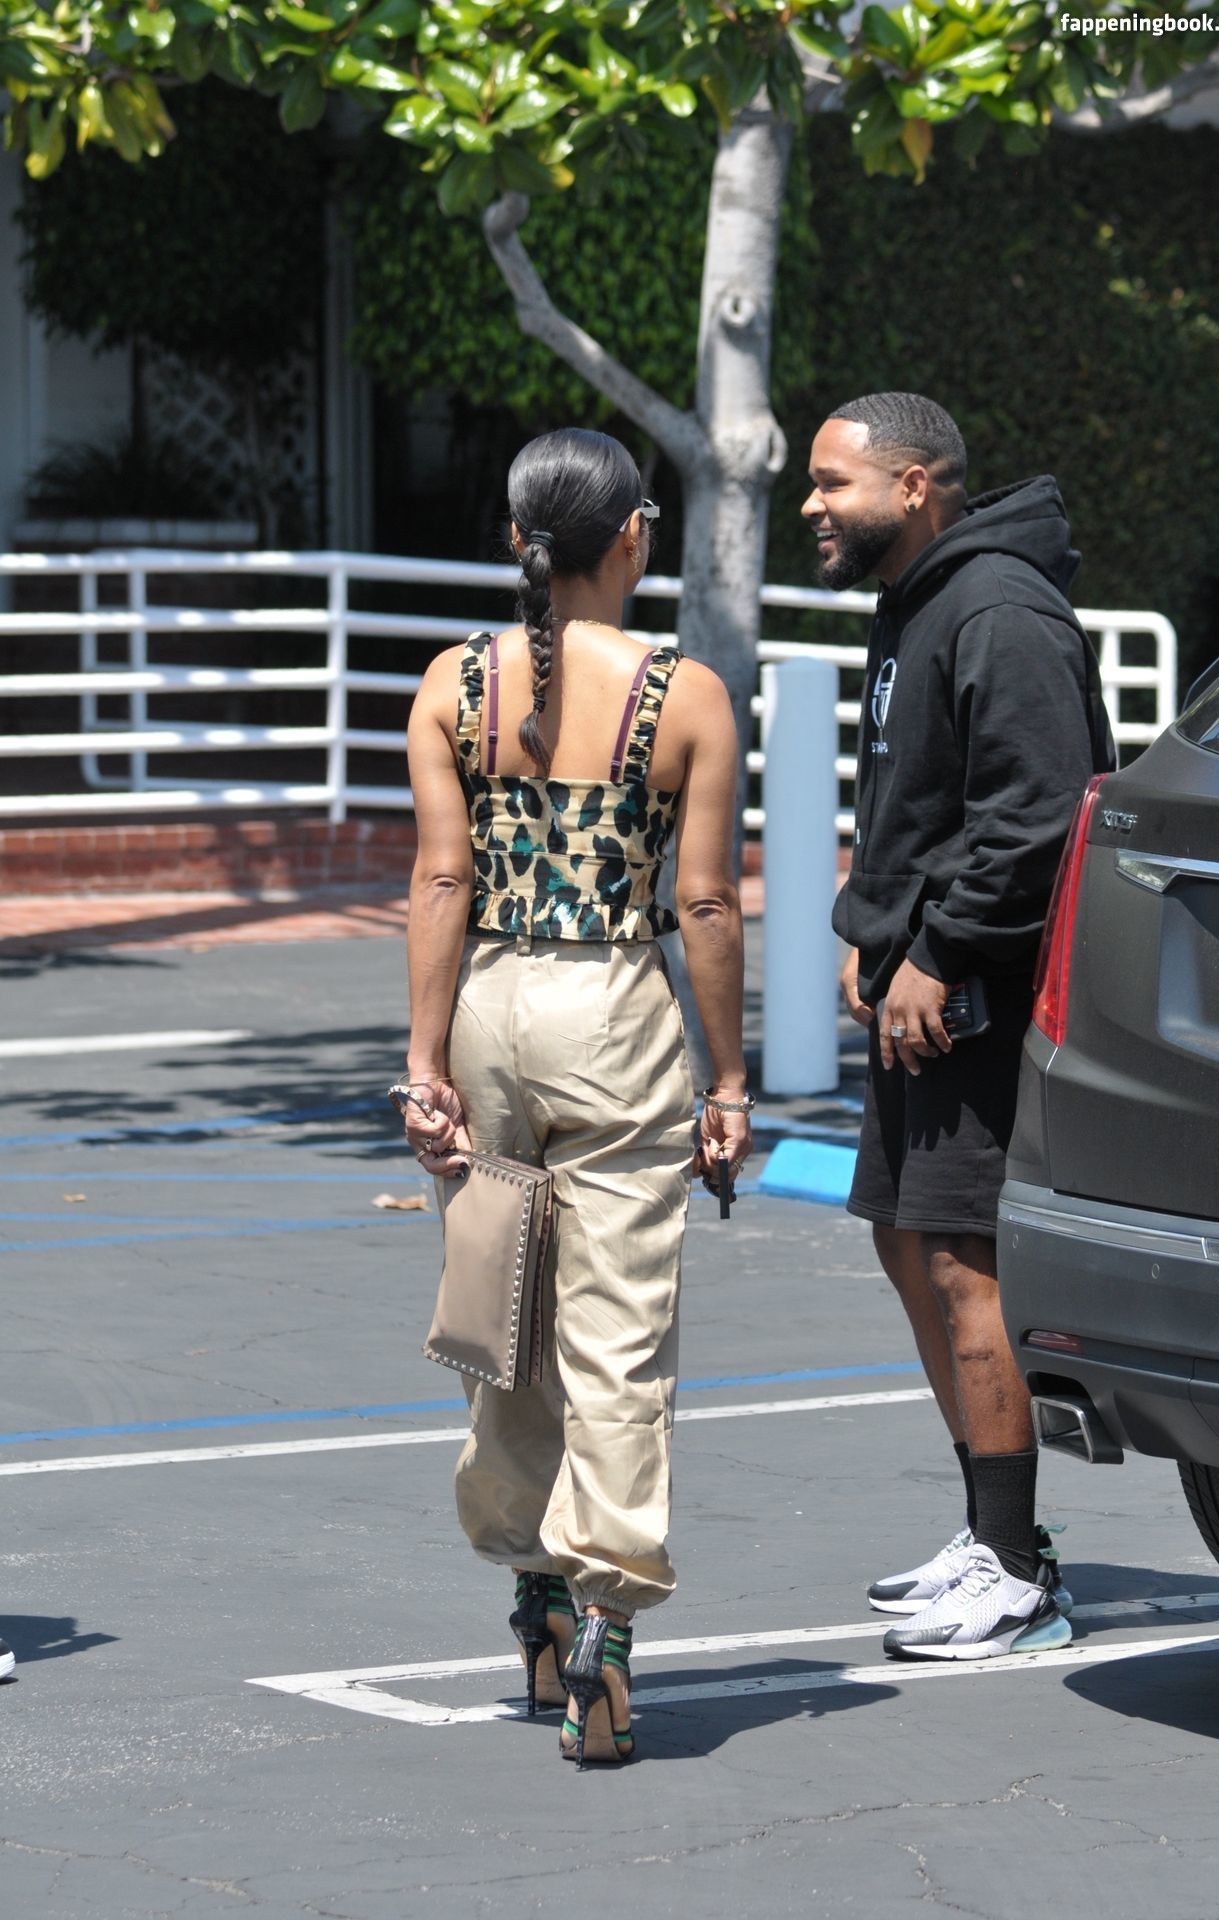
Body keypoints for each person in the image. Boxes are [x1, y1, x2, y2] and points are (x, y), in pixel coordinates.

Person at [398, 427, 752, 1765]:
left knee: (502, 1310)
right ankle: (604, 1617)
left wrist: (424, 1065)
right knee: (617, 1333)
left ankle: (532, 1587)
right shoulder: (685, 696)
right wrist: (728, 1079)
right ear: (632, 540)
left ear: (517, 541)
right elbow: (703, 904)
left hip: (488, 1002)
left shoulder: (454, 685)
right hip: (612, 1008)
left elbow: (440, 879)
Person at [804, 392, 1116, 1661]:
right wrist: (872, 927)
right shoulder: (918, 601)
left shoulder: (999, 611)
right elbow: (918, 799)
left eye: (834, 483)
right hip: (920, 983)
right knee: (904, 1241)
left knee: (958, 1261)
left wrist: (936, 952)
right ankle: (994, 1533)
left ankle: (1018, 1576)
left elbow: (1039, 814)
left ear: (916, 486)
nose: (814, 506)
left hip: (979, 998)